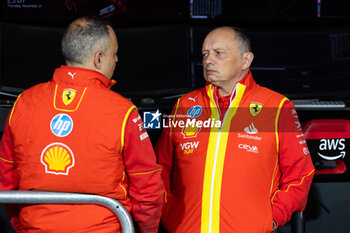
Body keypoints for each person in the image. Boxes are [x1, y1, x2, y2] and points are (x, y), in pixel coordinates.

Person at [0, 16, 164, 233]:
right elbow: (148, 190)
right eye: (114, 53)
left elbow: (6, 181)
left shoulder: (23, 103)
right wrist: (146, 231)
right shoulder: (123, 112)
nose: (116, 60)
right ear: (98, 58)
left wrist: (23, 227)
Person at [155, 26, 315, 233]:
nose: (208, 60)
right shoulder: (185, 105)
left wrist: (271, 219)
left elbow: (300, 175)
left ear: (246, 60)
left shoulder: (276, 106)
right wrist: (169, 214)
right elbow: (158, 168)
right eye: (205, 54)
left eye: (219, 53)